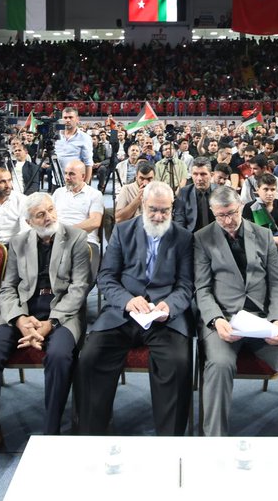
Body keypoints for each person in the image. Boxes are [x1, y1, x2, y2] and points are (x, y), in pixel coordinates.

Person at [0, 192, 91, 472]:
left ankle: (51, 433)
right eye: (40, 214)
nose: (48, 217)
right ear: (28, 220)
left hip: (61, 312)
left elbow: (79, 288)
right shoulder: (19, 242)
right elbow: (8, 287)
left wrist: (51, 323)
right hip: (22, 312)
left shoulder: (75, 238)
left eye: (50, 210)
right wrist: (20, 319)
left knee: (61, 356)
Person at [194, 186, 278, 437]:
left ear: (241, 206)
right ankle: (214, 443)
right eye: (220, 216)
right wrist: (216, 320)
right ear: (213, 213)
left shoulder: (263, 235)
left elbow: (277, 285)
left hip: (262, 321)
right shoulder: (203, 238)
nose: (227, 221)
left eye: (232, 213)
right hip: (225, 321)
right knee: (218, 366)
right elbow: (202, 289)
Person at [77, 182, 194, 436]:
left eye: (165, 211)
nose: (158, 216)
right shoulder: (122, 231)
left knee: (178, 362)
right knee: (90, 357)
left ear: (172, 209)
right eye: (153, 209)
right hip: (123, 313)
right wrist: (128, 300)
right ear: (142, 205)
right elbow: (106, 277)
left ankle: (170, 439)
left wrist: (169, 306)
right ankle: (91, 434)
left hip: (164, 317)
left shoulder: (183, 238)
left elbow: (186, 285)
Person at [242, 171, 278, 311]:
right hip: (257, 249)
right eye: (265, 189)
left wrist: (274, 240)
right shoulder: (249, 208)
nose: (269, 193)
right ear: (257, 190)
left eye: (272, 189)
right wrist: (274, 239)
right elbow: (248, 236)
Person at [174, 157, 218, 233]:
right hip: (192, 237)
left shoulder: (220, 191)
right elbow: (179, 221)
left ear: (211, 175)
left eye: (203, 174)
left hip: (216, 236)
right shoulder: (184, 192)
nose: (199, 178)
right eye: (195, 174)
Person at [53, 107, 93, 184]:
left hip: (76, 182)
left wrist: (86, 184)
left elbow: (88, 163)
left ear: (77, 119)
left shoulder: (85, 138)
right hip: (57, 181)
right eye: (65, 117)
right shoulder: (55, 136)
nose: (67, 120)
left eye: (70, 117)